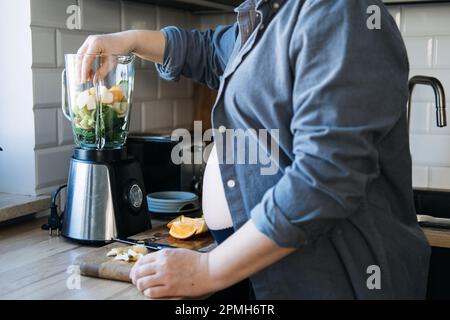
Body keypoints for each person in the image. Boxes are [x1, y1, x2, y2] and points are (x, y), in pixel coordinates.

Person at [77, 0, 431, 299]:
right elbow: (208, 51)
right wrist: (128, 40)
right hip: (268, 271)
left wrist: (210, 268)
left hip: (337, 279)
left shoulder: (339, 13)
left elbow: (325, 180)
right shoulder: (268, 15)